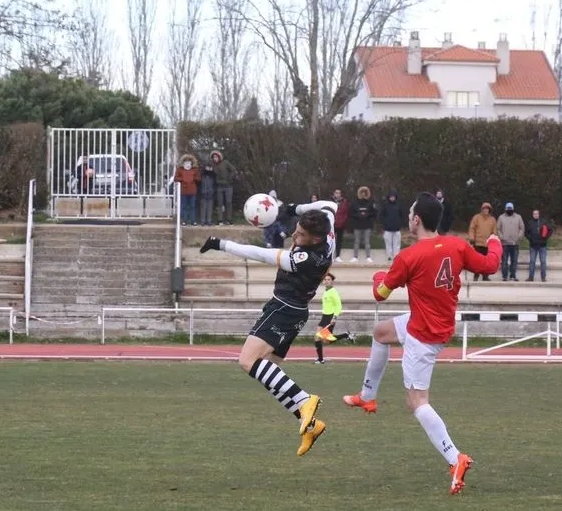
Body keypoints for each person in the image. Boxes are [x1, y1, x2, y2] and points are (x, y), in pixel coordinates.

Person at [342, 191, 501, 495]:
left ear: (416, 220)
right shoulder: (457, 245)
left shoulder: (409, 256)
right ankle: (368, 395)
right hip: (434, 324)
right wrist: (494, 243)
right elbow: (490, 266)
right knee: (381, 332)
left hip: (423, 335)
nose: (408, 217)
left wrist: (379, 276)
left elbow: (381, 294)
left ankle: (456, 458)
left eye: (410, 213)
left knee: (416, 402)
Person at [198, 199, 338, 457]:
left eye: (302, 235)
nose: (295, 235)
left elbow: (260, 254)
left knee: (247, 361)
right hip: (298, 312)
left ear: (315, 239)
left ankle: (305, 400)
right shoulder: (328, 230)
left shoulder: (303, 258)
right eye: (297, 229)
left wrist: (221, 244)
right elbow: (330, 204)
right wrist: (296, 208)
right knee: (269, 371)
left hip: (282, 309)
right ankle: (309, 424)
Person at [313, 273, 353, 364]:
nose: (326, 281)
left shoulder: (333, 292)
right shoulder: (326, 291)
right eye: (325, 280)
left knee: (318, 337)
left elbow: (338, 305)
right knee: (326, 340)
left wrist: (334, 317)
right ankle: (346, 335)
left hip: (330, 317)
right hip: (325, 317)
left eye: (328, 280)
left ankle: (320, 360)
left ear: (332, 281)